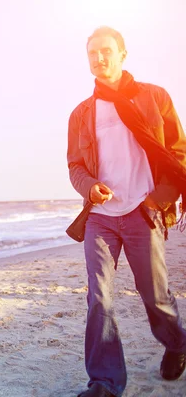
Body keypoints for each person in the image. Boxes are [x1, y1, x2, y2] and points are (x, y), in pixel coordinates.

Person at [67, 26, 186, 396]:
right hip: (101, 217)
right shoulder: (81, 113)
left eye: (106, 51)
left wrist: (157, 201)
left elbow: (177, 154)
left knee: (155, 295)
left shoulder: (155, 97)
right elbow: (75, 166)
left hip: (143, 211)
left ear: (122, 54)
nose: (99, 59)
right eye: (92, 54)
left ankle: (177, 343)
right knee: (98, 296)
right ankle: (104, 382)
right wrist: (91, 187)